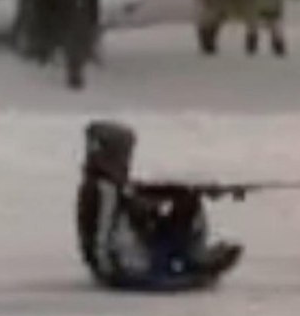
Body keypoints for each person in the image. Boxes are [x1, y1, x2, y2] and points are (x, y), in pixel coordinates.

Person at [77, 121, 243, 292]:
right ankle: (193, 257)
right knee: (185, 204)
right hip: (127, 266)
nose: (126, 160)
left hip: (129, 260)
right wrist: (114, 272)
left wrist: (192, 191)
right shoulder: (103, 190)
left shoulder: (108, 184)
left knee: (186, 201)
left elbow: (144, 193)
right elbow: (108, 229)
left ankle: (191, 256)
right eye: (124, 153)